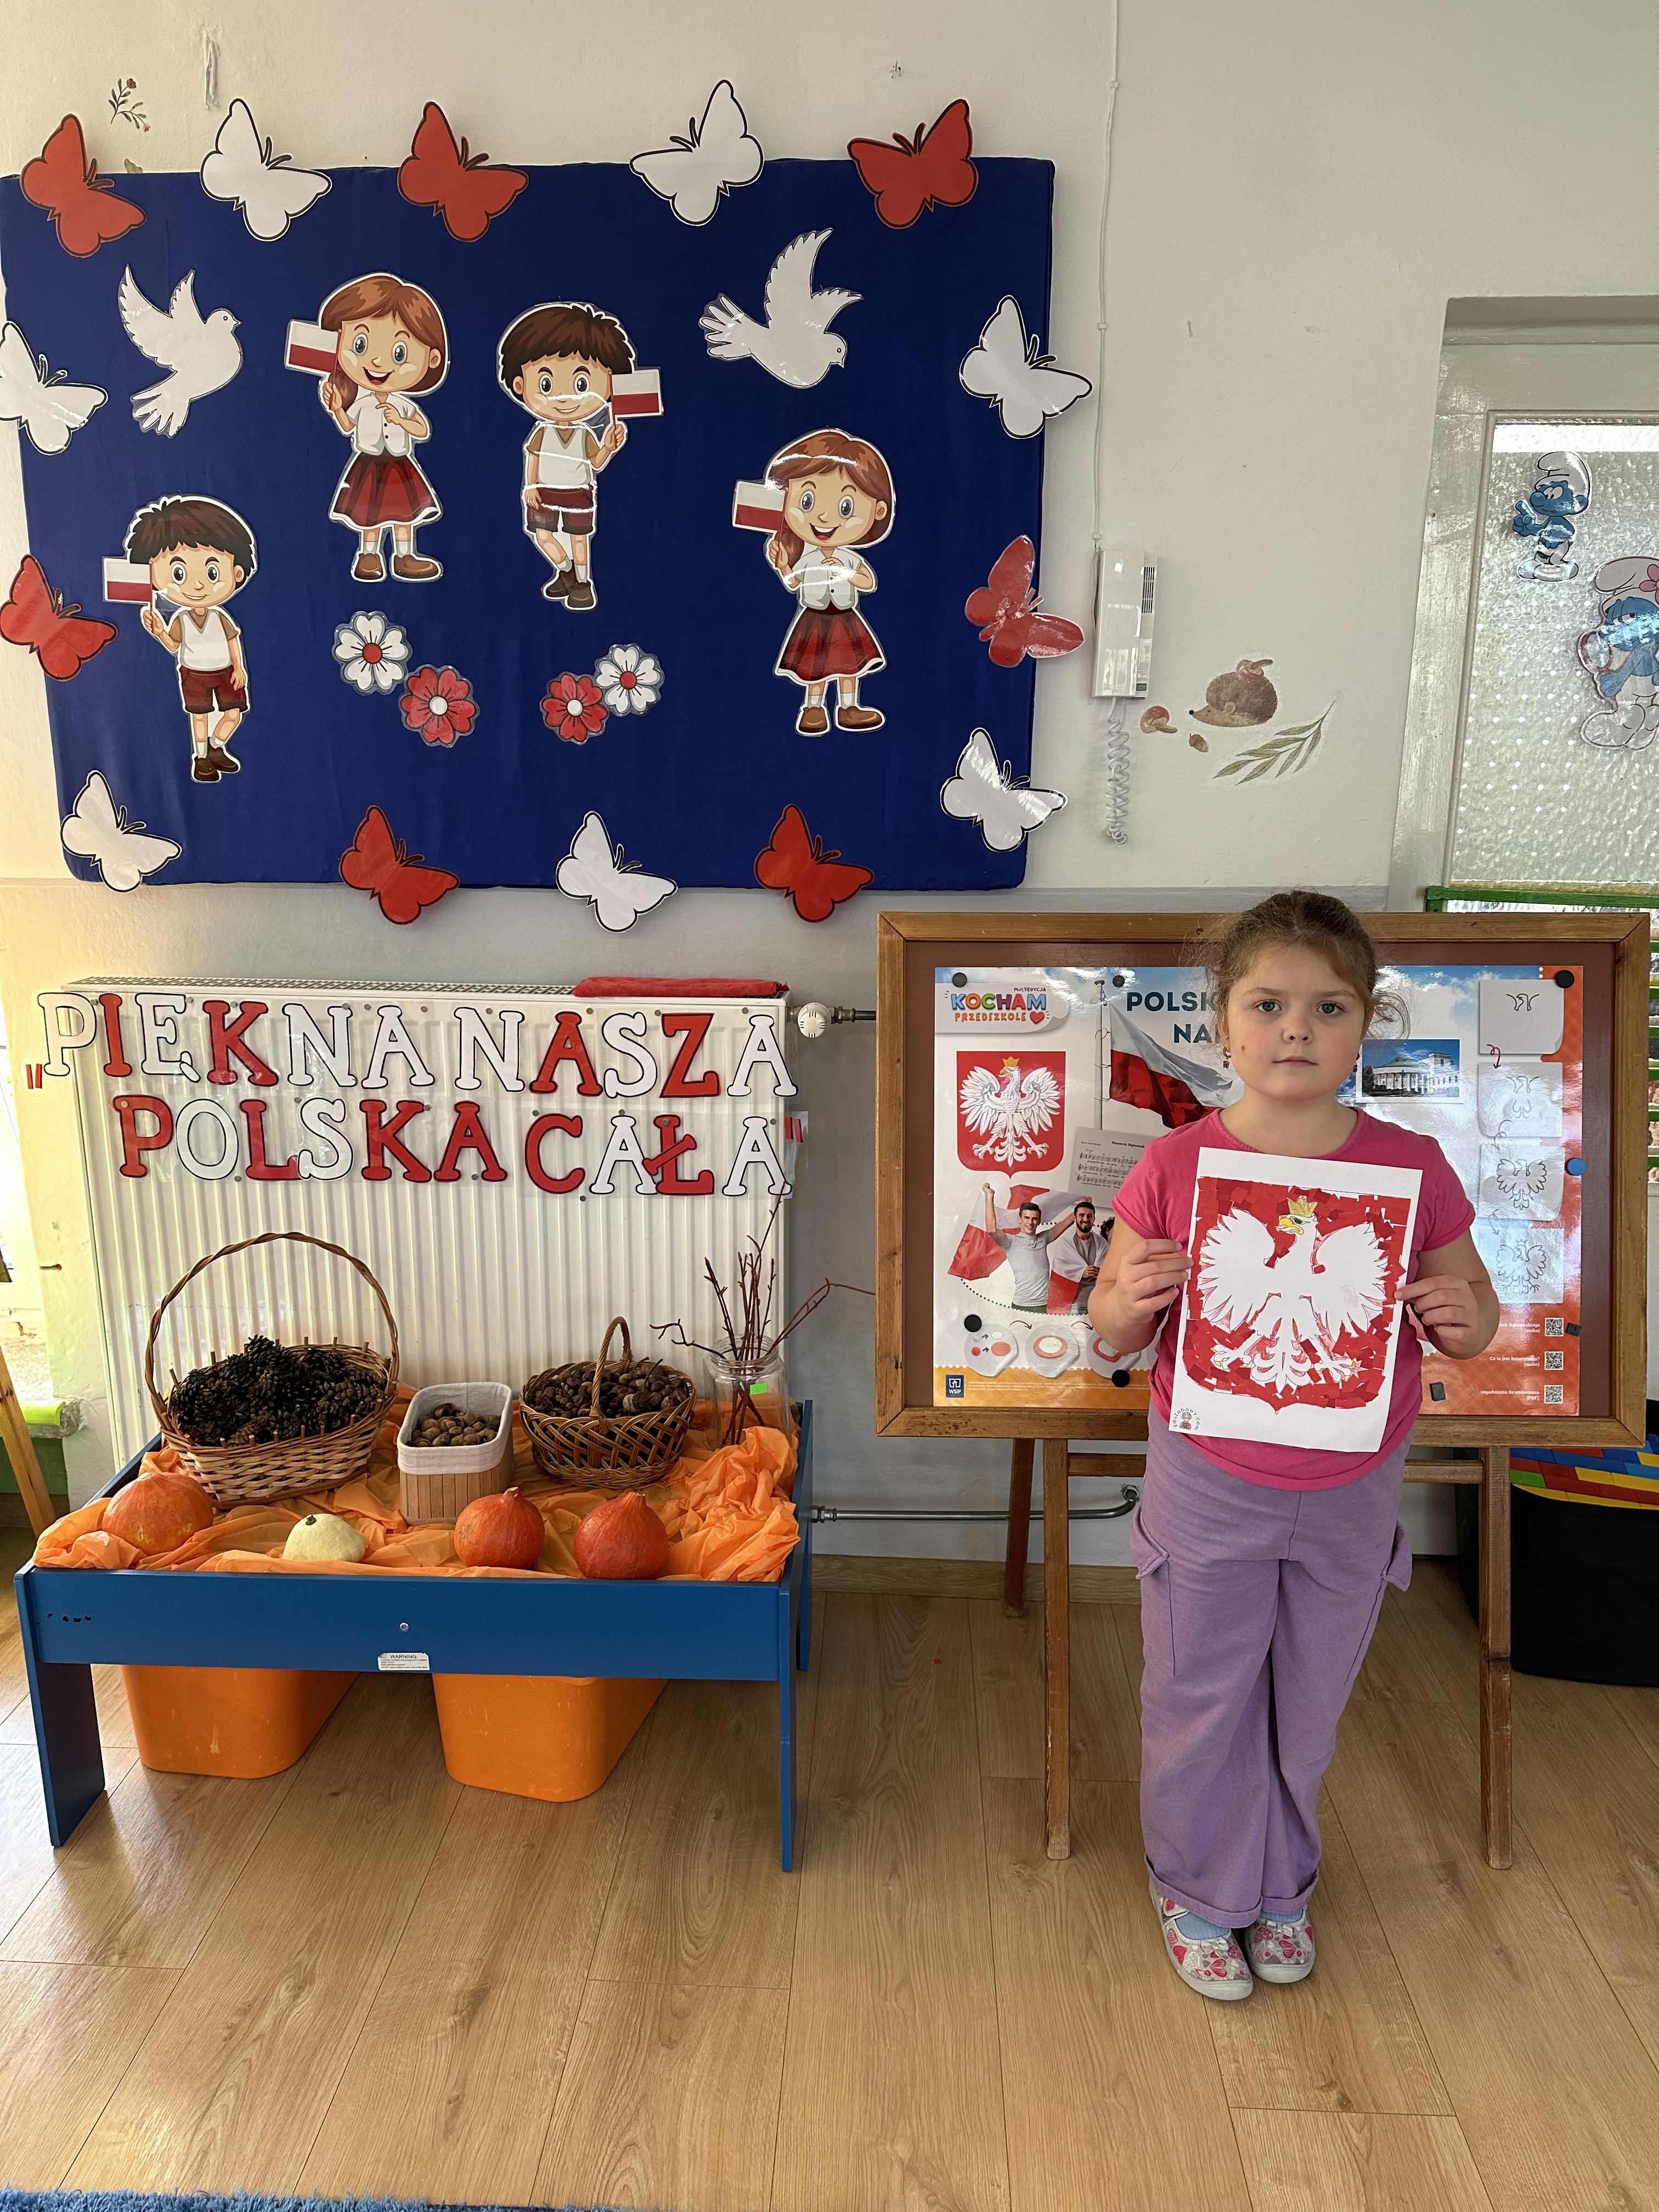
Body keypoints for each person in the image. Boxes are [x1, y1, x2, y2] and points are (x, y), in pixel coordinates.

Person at [1090, 891, 1497, 2002]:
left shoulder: (1411, 1168)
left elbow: (1474, 1313)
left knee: (1308, 1697)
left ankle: (1278, 1882)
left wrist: (1462, 1318)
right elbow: (1111, 1326)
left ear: (1365, 1024)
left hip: (1352, 1481)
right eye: (1267, 1004)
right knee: (1200, 1691)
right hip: (1209, 1477)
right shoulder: (1176, 1165)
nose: (1296, 1029)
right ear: (1223, 1021)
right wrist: (1126, 1295)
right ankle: (1196, 1884)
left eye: (1328, 1006)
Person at [498, 301, 634, 608]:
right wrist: (530, 486)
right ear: (520, 385)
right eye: (546, 383)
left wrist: (608, 447)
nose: (563, 397)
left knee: (579, 539)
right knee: (543, 536)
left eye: (581, 384)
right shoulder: (541, 433)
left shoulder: (585, 434)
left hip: (578, 491)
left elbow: (595, 462)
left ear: (608, 387)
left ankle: (583, 583)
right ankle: (567, 570)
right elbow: (533, 457)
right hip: (545, 491)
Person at [762, 428, 893, 735]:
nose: (823, 518)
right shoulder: (807, 558)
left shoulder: (848, 558)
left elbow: (868, 581)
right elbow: (794, 584)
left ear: (878, 511)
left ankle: (849, 707)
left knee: (850, 666)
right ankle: (813, 708)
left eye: (846, 507)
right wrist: (783, 566)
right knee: (815, 668)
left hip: (845, 617)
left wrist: (846, 573)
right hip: (815, 617)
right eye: (807, 501)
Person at [318, 273, 447, 583]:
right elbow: (348, 426)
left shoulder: (403, 404)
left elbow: (422, 430)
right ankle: (369, 555)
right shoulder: (361, 402)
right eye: (360, 344)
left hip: (400, 465)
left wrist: (401, 421)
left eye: (399, 352)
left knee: (404, 515)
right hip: (368, 464)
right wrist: (337, 409)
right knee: (370, 515)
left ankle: (405, 556)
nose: (377, 361)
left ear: (431, 359)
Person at [127, 495, 256, 783]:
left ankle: (216, 747)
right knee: (199, 718)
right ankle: (201, 758)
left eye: (212, 572)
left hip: (225, 671)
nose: (197, 585)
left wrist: (239, 667)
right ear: (154, 579)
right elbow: (174, 646)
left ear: (236, 573)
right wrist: (160, 632)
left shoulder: (221, 617)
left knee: (233, 714)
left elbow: (233, 640)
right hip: (193, 673)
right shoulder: (181, 620)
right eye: (179, 573)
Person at [983, 1189, 1075, 1313]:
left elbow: (1068, 1222)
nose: (1030, 1222)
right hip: (1021, 1306)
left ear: (1039, 1221)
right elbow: (992, 1230)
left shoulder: (1044, 1238)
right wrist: (990, 1196)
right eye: (1027, 1218)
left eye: (1034, 1219)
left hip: (1045, 1304)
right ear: (1020, 1219)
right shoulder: (1011, 1242)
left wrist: (1083, 1204)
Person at [1058, 1197, 1108, 1312]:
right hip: (1073, 1302)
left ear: (1094, 1219)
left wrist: (1099, 1271)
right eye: (1082, 1215)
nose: (1086, 1219)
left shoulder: (1101, 1243)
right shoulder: (1066, 1243)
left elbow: (1108, 1267)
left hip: (1097, 1300)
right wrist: (1082, 1272)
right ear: (1075, 1218)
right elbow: (1060, 1272)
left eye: (1090, 1216)